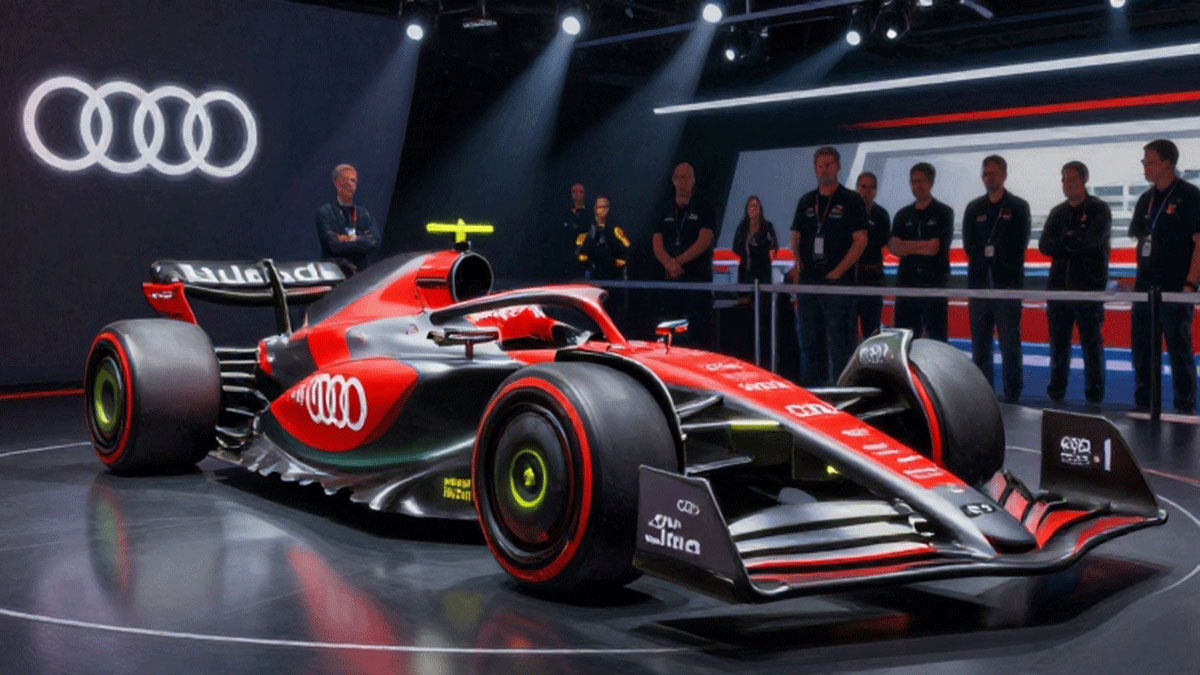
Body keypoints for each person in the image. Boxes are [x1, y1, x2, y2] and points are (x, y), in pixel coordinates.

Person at [1128, 139, 1200, 414]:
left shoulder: (1190, 196)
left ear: (1168, 163)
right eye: (1144, 162)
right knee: (1142, 350)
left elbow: (1199, 243)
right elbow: (1142, 240)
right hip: (1144, 287)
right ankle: (1144, 404)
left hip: (1175, 288)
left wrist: (1190, 282)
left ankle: (1184, 406)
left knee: (1179, 349)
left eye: (1150, 162)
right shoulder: (1145, 200)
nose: (1145, 167)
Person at [790, 147, 868, 386]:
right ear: (815, 168)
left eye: (829, 165)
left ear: (838, 167)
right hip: (809, 285)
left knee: (841, 345)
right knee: (810, 344)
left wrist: (838, 272)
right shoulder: (806, 201)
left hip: (838, 285)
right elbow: (795, 236)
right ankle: (814, 393)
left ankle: (844, 394)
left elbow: (860, 240)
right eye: (820, 165)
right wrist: (800, 265)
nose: (824, 170)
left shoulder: (851, 200)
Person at [1038, 161, 1112, 404]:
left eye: (1071, 179)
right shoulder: (1057, 213)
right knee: (1058, 346)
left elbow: (1091, 242)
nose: (1067, 184)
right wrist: (1072, 241)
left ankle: (1094, 397)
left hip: (1088, 290)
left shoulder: (1099, 209)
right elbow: (1044, 245)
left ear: (1084, 179)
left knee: (1091, 345)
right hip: (1058, 291)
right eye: (1064, 180)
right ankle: (1056, 394)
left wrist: (1064, 243)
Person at [962, 155, 1031, 403]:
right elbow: (970, 245)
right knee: (980, 346)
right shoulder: (974, 208)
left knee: (1009, 344)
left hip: (1007, 286)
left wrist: (996, 258)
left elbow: (1019, 244)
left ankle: (1013, 394)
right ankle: (983, 395)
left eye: (993, 173)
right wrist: (984, 259)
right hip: (979, 286)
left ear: (1003, 175)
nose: (988, 177)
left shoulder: (1018, 207)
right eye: (985, 173)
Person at [731, 196, 801, 382]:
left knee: (765, 319)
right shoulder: (742, 228)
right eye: (750, 206)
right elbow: (735, 248)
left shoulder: (767, 227)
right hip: (745, 277)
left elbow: (773, 248)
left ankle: (767, 362)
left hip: (763, 277)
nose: (753, 209)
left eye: (756, 206)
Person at [653, 162, 718, 346]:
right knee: (670, 330)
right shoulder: (665, 208)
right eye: (681, 177)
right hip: (671, 281)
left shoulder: (704, 207)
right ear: (674, 180)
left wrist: (678, 262)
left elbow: (704, 240)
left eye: (689, 177)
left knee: (698, 335)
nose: (685, 182)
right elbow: (657, 241)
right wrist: (668, 263)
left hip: (697, 281)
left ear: (694, 180)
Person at [888, 163, 953, 340]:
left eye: (921, 181)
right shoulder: (902, 215)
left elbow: (934, 248)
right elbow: (894, 248)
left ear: (931, 183)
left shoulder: (944, 213)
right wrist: (921, 245)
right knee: (904, 341)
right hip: (906, 284)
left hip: (934, 285)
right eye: (914, 182)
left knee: (936, 341)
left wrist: (906, 246)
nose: (917, 186)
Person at [316, 164, 380, 271]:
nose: (350, 184)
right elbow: (333, 245)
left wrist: (346, 238)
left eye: (353, 181)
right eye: (346, 180)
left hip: (360, 273)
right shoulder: (325, 213)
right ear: (336, 183)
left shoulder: (364, 213)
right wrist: (361, 239)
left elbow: (375, 242)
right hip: (334, 271)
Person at [855, 171, 892, 339]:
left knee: (872, 332)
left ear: (876, 191)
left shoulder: (882, 215)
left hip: (873, 278)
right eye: (863, 186)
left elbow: (884, 242)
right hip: (850, 278)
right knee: (846, 330)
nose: (867, 191)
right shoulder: (847, 213)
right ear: (857, 188)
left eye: (871, 188)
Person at [575, 196, 630, 280]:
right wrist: (588, 263)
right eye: (600, 207)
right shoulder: (588, 232)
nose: (603, 210)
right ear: (595, 208)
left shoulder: (616, 230)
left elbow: (627, 249)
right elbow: (580, 253)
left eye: (605, 207)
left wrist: (620, 261)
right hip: (594, 273)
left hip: (613, 273)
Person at [561, 182, 591, 279]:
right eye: (574, 191)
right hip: (568, 260)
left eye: (580, 191)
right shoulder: (566, 214)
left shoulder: (590, 214)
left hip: (585, 260)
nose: (577, 194)